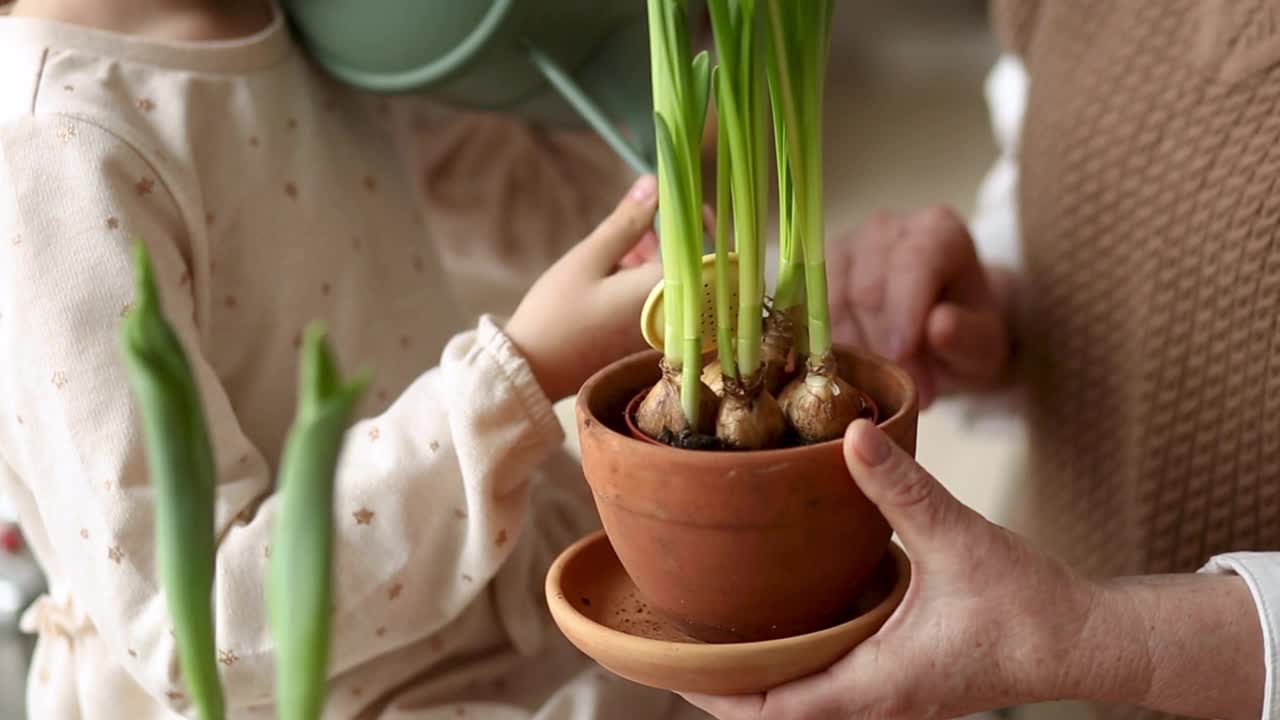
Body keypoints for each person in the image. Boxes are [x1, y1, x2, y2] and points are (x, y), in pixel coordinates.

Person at [0, 1, 706, 718]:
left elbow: (511, 189)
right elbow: (190, 630)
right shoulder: (54, 153)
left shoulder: (313, 21)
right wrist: (515, 378)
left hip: (532, 622)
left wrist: (665, 191)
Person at [687, 1, 1280, 718]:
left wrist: (1102, 639)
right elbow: (1079, 179)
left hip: (1062, 653)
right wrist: (996, 310)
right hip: (1034, 653)